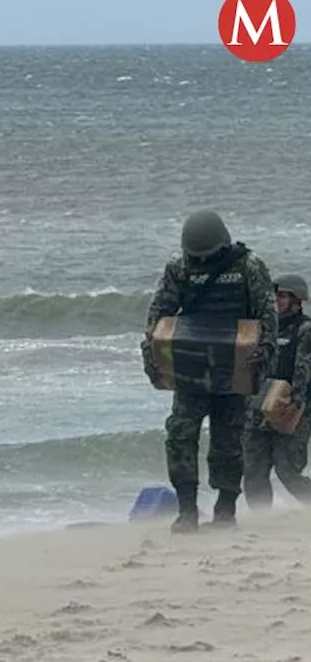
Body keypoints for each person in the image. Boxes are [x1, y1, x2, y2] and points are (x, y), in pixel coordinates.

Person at [141, 210, 277, 533]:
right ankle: (187, 508)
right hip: (191, 368)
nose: (199, 261)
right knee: (180, 434)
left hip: (235, 366)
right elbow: (159, 315)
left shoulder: (248, 266)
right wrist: (151, 355)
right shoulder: (179, 267)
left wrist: (264, 354)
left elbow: (267, 314)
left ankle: (226, 509)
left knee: (229, 441)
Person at [242, 273, 311, 508]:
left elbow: (304, 369)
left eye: (283, 296)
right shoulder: (264, 328)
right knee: (253, 471)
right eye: (275, 296)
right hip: (258, 406)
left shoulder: (305, 329)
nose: (277, 300)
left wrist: (297, 404)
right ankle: (262, 519)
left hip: (291, 408)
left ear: (297, 299)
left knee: (288, 471)